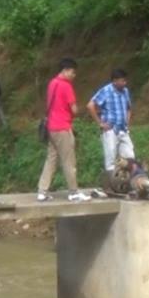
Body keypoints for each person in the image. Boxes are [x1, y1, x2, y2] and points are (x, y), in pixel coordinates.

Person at [37, 58, 90, 202]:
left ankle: (42, 191)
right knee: (69, 161)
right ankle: (73, 192)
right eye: (73, 72)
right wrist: (78, 110)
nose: (74, 75)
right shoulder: (66, 86)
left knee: (51, 159)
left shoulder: (52, 83)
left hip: (51, 128)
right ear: (65, 70)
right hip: (63, 128)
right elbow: (74, 109)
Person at [88, 68, 135, 173]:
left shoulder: (125, 91)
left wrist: (127, 121)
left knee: (130, 156)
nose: (124, 83)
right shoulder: (106, 91)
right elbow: (90, 106)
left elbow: (129, 107)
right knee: (110, 160)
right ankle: (111, 183)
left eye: (125, 80)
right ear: (114, 81)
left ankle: (124, 180)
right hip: (110, 129)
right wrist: (100, 123)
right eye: (122, 81)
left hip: (123, 129)